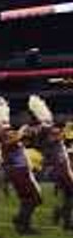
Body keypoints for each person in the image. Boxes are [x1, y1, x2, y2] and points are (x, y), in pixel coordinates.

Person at [0, 97, 42, 234]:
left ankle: (22, 223)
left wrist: (34, 128)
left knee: (30, 198)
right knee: (33, 198)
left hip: (19, 169)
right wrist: (21, 132)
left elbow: (17, 137)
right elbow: (8, 142)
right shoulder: (3, 134)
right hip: (18, 170)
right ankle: (21, 222)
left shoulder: (5, 132)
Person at [27, 95, 73, 231]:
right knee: (70, 195)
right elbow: (54, 135)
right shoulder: (45, 135)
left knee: (69, 196)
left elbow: (56, 134)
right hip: (61, 168)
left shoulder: (46, 133)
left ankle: (63, 218)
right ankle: (63, 217)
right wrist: (62, 129)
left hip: (61, 167)